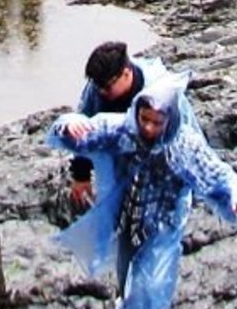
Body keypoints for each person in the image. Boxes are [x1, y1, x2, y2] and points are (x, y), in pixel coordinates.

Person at [48, 71, 237, 309]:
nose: (150, 128)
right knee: (126, 276)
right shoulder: (124, 131)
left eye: (157, 123)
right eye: (145, 120)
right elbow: (89, 130)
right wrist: (67, 125)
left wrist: (236, 194)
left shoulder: (183, 146)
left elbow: (217, 173)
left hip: (163, 225)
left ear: (169, 120)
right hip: (131, 218)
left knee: (147, 287)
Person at [65, 41, 190, 213]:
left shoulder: (157, 91)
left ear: (126, 73)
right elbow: (84, 128)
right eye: (98, 86)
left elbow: (179, 138)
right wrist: (81, 176)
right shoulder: (97, 88)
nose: (101, 91)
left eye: (107, 87)